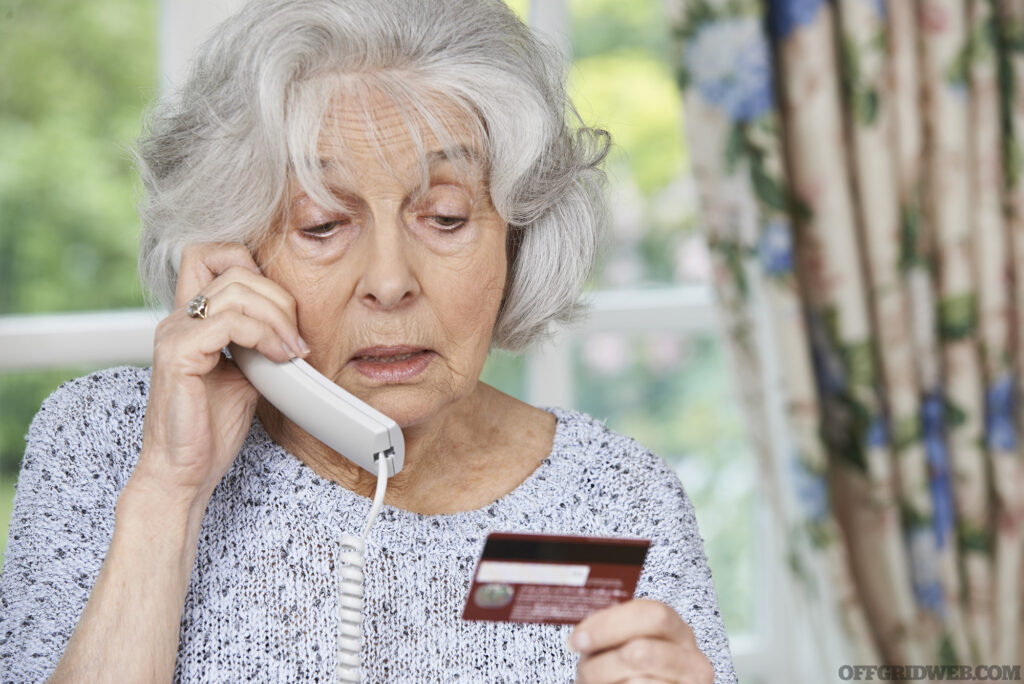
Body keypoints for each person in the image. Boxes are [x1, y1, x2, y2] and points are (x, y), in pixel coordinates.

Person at [0, 0, 736, 681]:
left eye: (445, 218)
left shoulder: (617, 496)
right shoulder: (106, 443)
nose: (389, 281)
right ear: (233, 253)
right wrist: (170, 490)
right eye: (322, 225)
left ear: (517, 238)